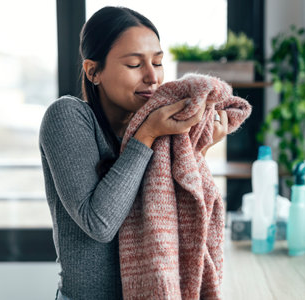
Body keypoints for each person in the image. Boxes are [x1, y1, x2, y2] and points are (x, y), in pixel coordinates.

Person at [39, 6, 228, 300]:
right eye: (134, 65)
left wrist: (196, 149)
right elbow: (99, 223)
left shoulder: (156, 131)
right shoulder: (66, 117)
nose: (153, 77)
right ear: (93, 71)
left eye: (158, 62)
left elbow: (165, 212)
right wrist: (147, 134)